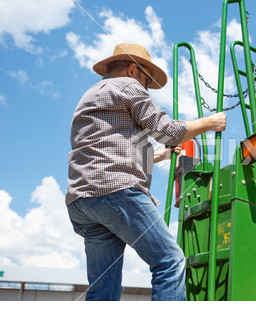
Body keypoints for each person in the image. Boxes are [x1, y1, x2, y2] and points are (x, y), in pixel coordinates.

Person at [65, 43, 226, 301]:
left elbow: (112, 146)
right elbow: (168, 131)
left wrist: (162, 155)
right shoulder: (129, 86)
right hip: (116, 190)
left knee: (102, 287)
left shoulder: (90, 94)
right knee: (169, 261)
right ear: (132, 70)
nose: (147, 88)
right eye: (147, 81)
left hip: (82, 199)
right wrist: (210, 123)